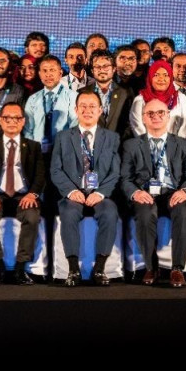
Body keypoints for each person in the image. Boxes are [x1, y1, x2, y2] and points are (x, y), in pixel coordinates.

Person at [120, 98, 186, 288]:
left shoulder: (184, 144)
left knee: (183, 211)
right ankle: (151, 267)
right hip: (145, 193)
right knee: (145, 214)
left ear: (168, 116)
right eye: (150, 113)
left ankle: (177, 269)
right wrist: (135, 193)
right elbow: (125, 179)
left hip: (173, 192)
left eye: (161, 112)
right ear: (143, 118)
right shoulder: (131, 145)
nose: (156, 116)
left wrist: (185, 191)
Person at [50, 89, 121, 286]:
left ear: (100, 110)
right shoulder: (63, 137)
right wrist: (71, 191)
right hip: (73, 194)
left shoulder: (112, 138)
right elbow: (55, 169)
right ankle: (73, 269)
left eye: (92, 106)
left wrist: (101, 193)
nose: (87, 110)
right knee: (68, 213)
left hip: (100, 194)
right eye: (83, 106)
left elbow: (115, 172)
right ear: (75, 110)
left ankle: (100, 269)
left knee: (110, 212)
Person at [0, 102, 45, 286]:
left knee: (32, 216)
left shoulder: (33, 147)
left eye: (17, 118)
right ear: (0, 120)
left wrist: (32, 194)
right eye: (7, 118)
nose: (12, 122)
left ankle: (21, 268)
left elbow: (40, 176)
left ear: (23, 121)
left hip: (24, 196)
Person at [23, 55, 76, 153]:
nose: (48, 74)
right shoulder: (32, 99)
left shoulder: (72, 97)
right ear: (39, 74)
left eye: (52, 70)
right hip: (37, 152)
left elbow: (75, 127)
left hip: (63, 152)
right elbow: (27, 130)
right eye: (45, 70)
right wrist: (33, 150)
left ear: (60, 73)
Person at [128, 60, 186, 139]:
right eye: (156, 75)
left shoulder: (181, 98)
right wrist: (152, 144)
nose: (161, 79)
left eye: (165, 75)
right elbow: (137, 126)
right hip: (146, 145)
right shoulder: (140, 100)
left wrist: (177, 145)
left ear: (170, 78)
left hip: (177, 145)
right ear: (150, 77)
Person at [86, 50, 132, 138]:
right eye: (97, 66)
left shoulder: (125, 93)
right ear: (92, 70)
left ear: (114, 69)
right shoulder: (82, 93)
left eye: (105, 66)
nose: (101, 70)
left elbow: (129, 123)